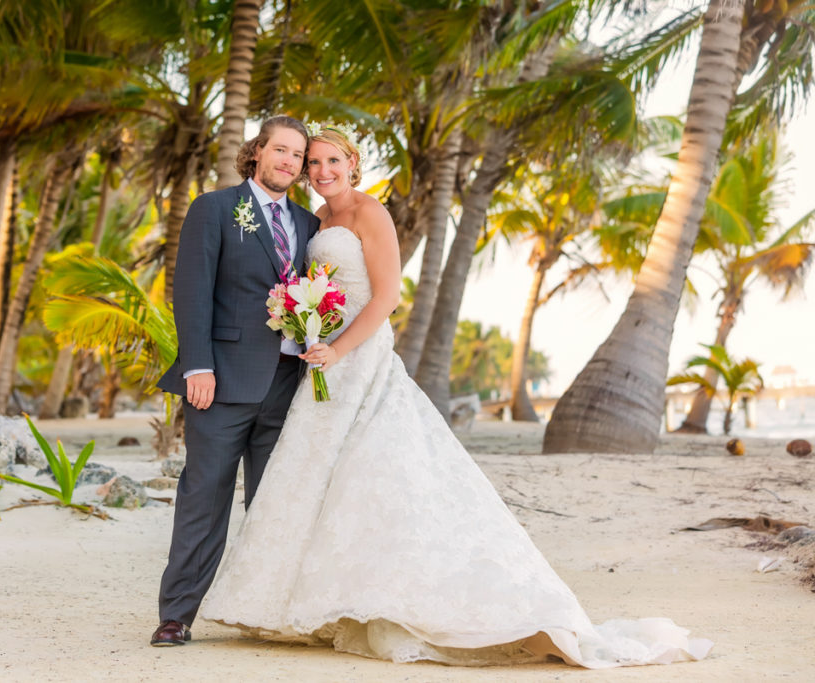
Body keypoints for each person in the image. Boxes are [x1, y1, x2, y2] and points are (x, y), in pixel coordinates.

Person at [197, 124, 713, 668]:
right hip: (322, 363)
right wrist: (312, 332)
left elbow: (386, 297)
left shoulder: (372, 213)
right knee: (322, 480)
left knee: (379, 478)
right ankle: (314, 604)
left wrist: (339, 349)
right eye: (313, 164)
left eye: (331, 162)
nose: (321, 172)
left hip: (360, 359)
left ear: (352, 163)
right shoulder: (314, 219)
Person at [151, 115, 321, 647]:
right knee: (205, 496)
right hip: (220, 383)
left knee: (274, 503)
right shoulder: (216, 209)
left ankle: (266, 609)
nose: (288, 161)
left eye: (298, 155)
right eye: (280, 150)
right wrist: (197, 365)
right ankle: (177, 615)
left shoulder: (309, 226)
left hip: (287, 384)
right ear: (257, 152)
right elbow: (192, 290)